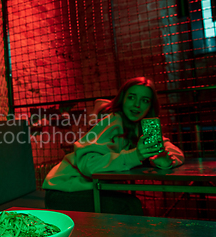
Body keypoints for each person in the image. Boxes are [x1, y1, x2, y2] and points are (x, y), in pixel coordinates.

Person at [43, 77, 184, 215]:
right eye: (131, 97)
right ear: (122, 99)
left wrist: (165, 159)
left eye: (145, 100)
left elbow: (172, 149)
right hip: (63, 190)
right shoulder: (113, 120)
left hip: (87, 189)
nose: (137, 105)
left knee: (132, 204)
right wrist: (136, 155)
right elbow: (89, 165)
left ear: (150, 106)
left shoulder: (141, 127)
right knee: (129, 206)